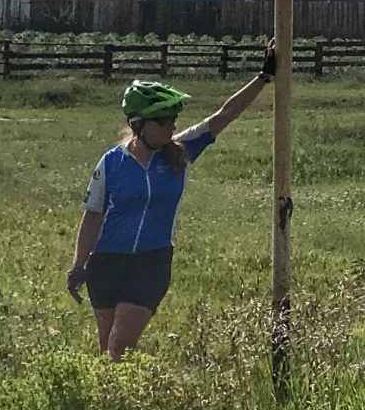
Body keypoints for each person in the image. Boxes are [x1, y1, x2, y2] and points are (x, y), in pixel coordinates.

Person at [67, 53, 276, 358]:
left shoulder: (181, 151)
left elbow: (225, 114)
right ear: (139, 124)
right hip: (107, 262)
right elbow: (93, 215)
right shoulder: (111, 162)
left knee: (119, 345)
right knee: (106, 351)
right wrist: (78, 265)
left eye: (173, 119)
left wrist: (263, 78)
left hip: (151, 261)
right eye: (164, 121)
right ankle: (116, 391)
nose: (172, 126)